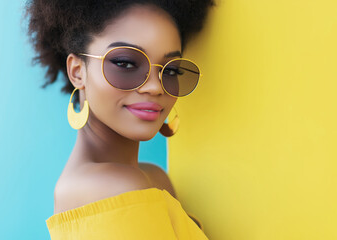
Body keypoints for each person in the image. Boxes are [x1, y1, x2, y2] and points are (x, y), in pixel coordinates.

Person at [24, 0, 214, 239]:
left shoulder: (154, 178)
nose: (155, 87)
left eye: (171, 70)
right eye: (125, 63)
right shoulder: (118, 187)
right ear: (77, 71)